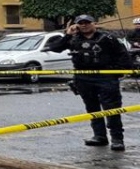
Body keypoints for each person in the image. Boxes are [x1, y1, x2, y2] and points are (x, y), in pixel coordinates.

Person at [47, 14, 131, 151]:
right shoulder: (73, 39)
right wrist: (67, 35)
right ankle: (99, 136)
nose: (84, 25)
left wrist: (117, 72)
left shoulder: (107, 38)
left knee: (112, 110)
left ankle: (117, 139)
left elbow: (124, 56)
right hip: (83, 78)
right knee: (92, 109)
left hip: (106, 77)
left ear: (94, 24)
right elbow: (55, 48)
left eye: (87, 22)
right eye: (81, 23)